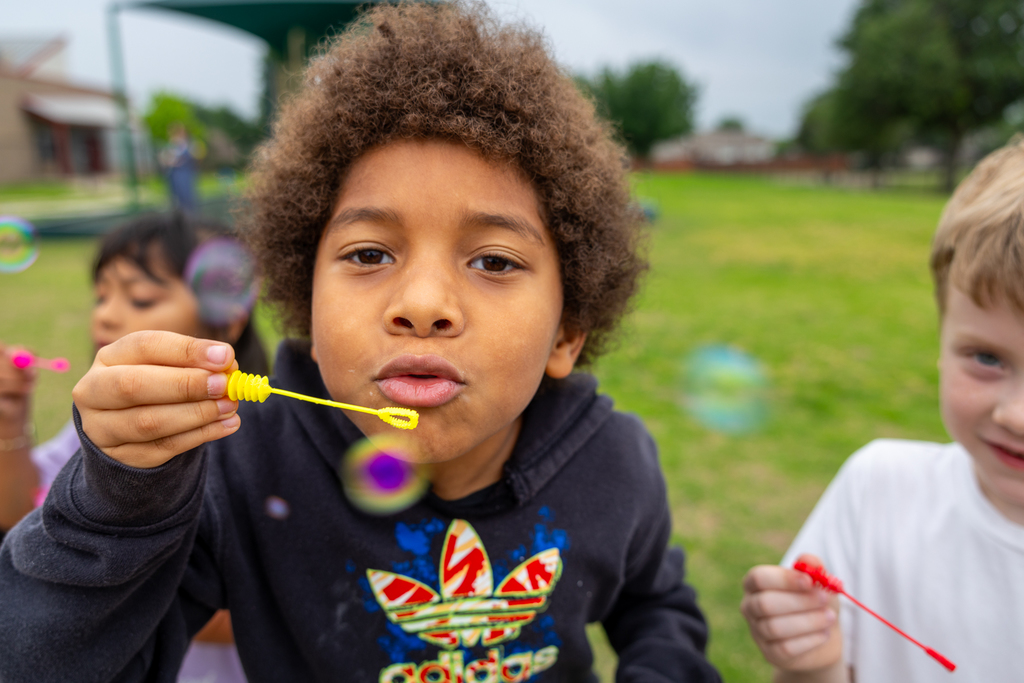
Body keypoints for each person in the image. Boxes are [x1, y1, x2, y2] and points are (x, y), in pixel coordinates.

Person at [0, 3, 721, 681]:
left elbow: (657, 604)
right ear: (307, 306)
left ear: (566, 334)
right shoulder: (237, 472)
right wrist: (113, 506)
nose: (422, 305)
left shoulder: (615, 462)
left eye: (494, 260)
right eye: (371, 254)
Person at [740, 137, 1024, 682]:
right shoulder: (879, 490)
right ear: (941, 341)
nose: (1015, 415)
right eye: (986, 357)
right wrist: (813, 663)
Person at [0, 212, 266, 683]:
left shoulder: (266, 444)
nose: (105, 314)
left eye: (140, 298)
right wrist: (9, 422)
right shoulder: (106, 439)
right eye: (102, 296)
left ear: (227, 318)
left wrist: (135, 590)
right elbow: (19, 509)